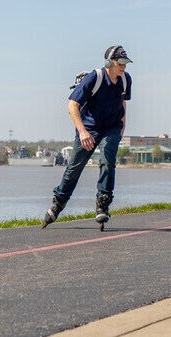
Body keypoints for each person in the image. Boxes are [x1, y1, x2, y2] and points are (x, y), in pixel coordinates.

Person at [41, 45, 132, 229]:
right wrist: (82, 132)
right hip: (88, 129)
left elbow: (122, 104)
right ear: (109, 62)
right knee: (74, 168)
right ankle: (59, 202)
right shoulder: (94, 78)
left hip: (111, 128)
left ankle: (103, 204)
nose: (123, 67)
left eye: (125, 63)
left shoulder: (125, 80)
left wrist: (121, 128)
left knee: (108, 158)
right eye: (120, 63)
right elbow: (72, 105)